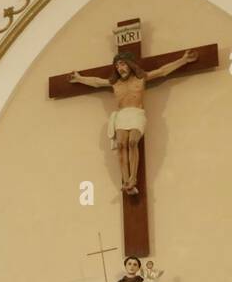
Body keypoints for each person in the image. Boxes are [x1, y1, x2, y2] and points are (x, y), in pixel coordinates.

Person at [70, 48, 198, 195]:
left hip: (136, 113)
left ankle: (133, 178)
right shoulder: (115, 84)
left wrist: (183, 60)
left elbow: (162, 71)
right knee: (121, 145)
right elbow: (96, 82)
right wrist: (79, 78)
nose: (120, 68)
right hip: (122, 115)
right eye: (117, 66)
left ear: (130, 64)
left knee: (132, 142)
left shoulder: (141, 79)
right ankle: (126, 181)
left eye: (123, 64)